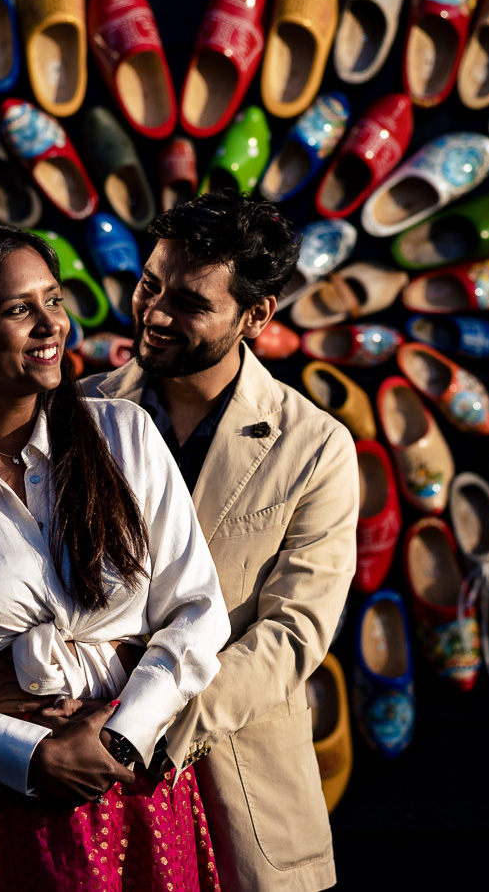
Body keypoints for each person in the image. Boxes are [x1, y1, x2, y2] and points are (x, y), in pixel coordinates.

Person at [0, 224, 231, 891]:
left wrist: (117, 734)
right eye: (16, 308)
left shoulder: (126, 436)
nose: (48, 324)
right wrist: (33, 755)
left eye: (52, 299)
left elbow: (198, 611)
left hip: (128, 783)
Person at [82, 192, 359, 892]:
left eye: (190, 302)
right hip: (81, 792)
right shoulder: (77, 416)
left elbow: (294, 631)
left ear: (256, 316)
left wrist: (146, 724)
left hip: (241, 797)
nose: (156, 312)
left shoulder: (317, 446)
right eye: (150, 285)